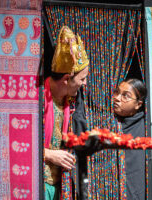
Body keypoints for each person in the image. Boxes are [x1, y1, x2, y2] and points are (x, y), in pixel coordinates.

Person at [43, 25, 89, 200]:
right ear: (66, 79)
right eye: (82, 79)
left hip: (58, 186)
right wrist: (49, 154)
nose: (84, 84)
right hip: (37, 183)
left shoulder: (70, 103)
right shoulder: (36, 100)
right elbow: (17, 142)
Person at [113, 78, 147, 200]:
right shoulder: (109, 124)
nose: (117, 98)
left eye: (125, 96)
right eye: (116, 92)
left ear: (138, 104)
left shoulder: (146, 127)